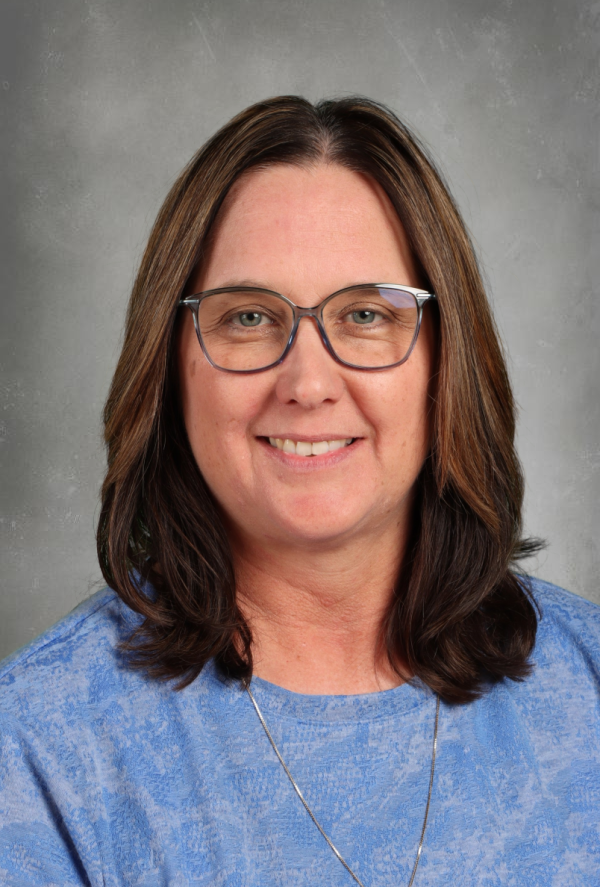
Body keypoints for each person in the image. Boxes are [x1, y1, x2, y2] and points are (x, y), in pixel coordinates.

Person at [1, 96, 599, 887]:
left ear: (446, 365)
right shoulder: (40, 747)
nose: (308, 382)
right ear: (171, 366)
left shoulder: (587, 686)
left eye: (363, 314)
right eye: (248, 316)